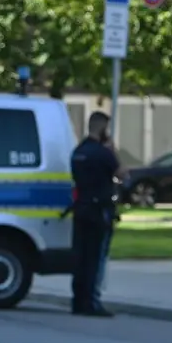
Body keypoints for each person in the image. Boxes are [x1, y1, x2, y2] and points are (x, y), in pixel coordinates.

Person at [68, 111, 121, 317]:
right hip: (99, 211)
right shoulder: (103, 153)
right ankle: (92, 301)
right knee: (96, 258)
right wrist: (113, 151)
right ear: (103, 128)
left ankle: (78, 301)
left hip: (81, 209)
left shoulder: (78, 151)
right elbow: (122, 173)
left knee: (80, 257)